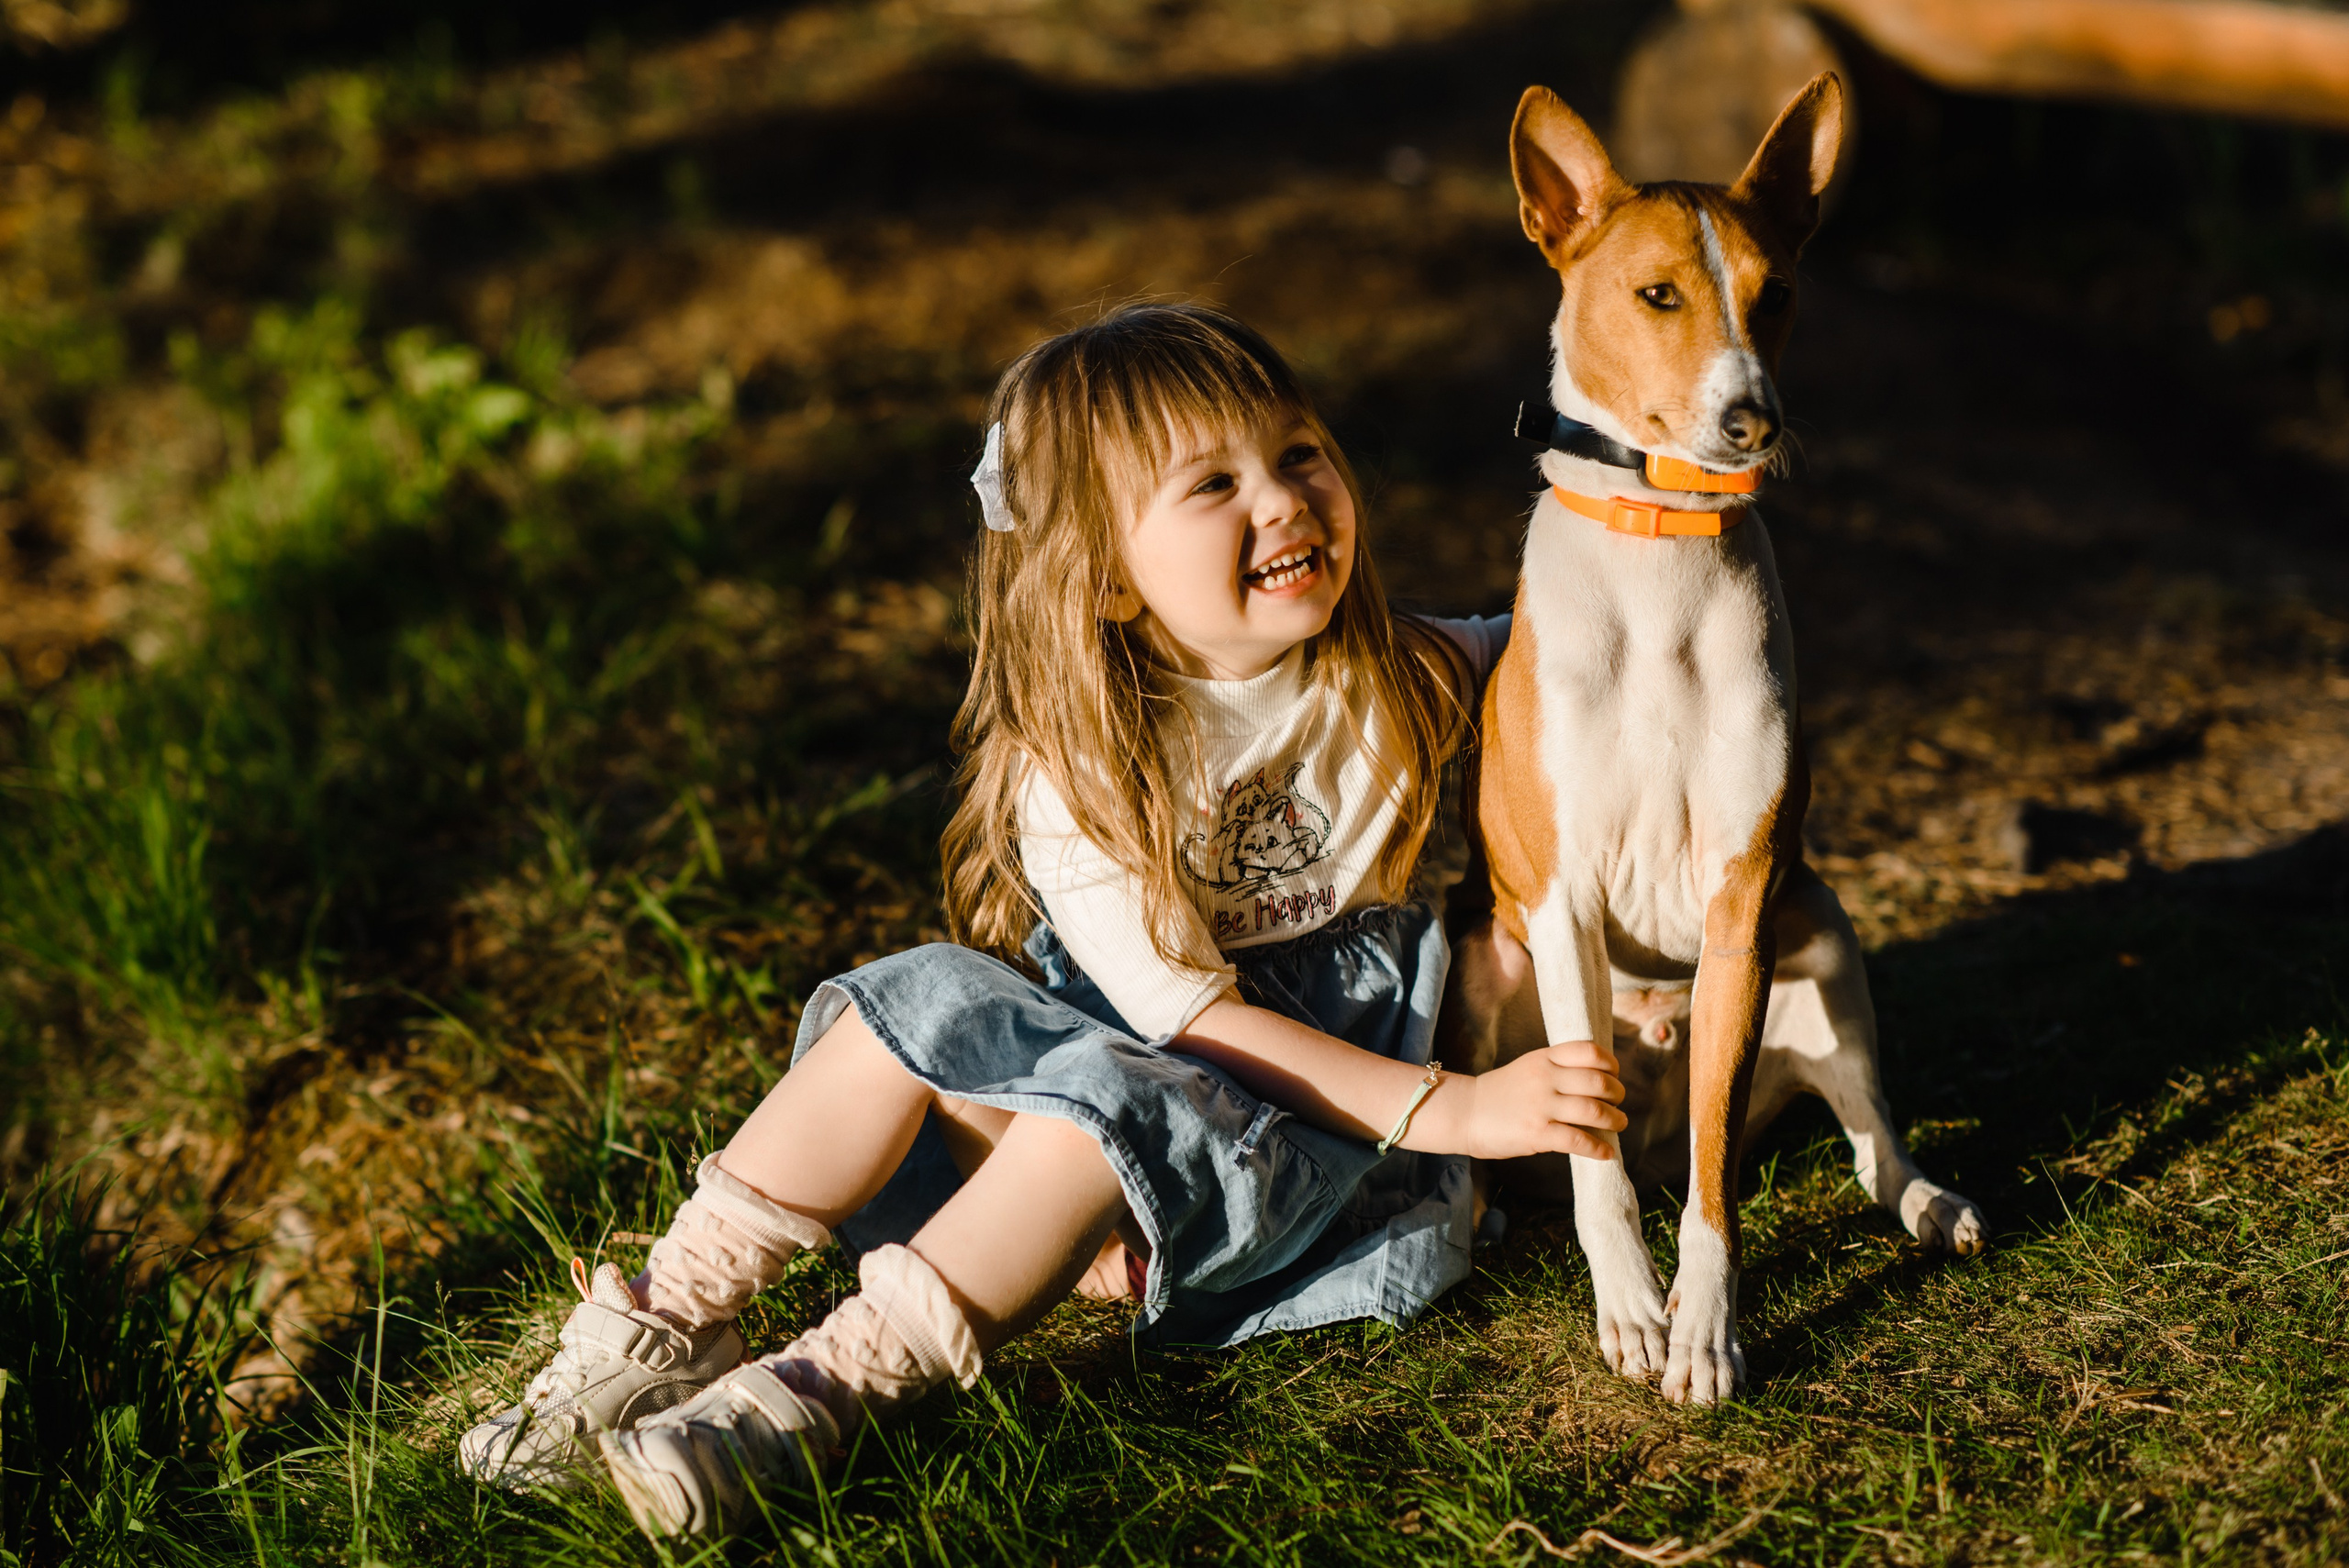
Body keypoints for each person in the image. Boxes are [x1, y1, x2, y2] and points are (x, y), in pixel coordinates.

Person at [456, 303, 1627, 1538]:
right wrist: (1458, 1105)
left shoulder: (1401, 675)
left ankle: (822, 1392)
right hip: (1190, 1070)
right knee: (908, 1001)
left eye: (1298, 454)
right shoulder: (1079, 765)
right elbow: (1194, 1021)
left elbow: (1577, 654)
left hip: (1299, 1141)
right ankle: (669, 1319)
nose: (1282, 500)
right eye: (1215, 483)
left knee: (1086, 1126)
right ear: (1112, 577)